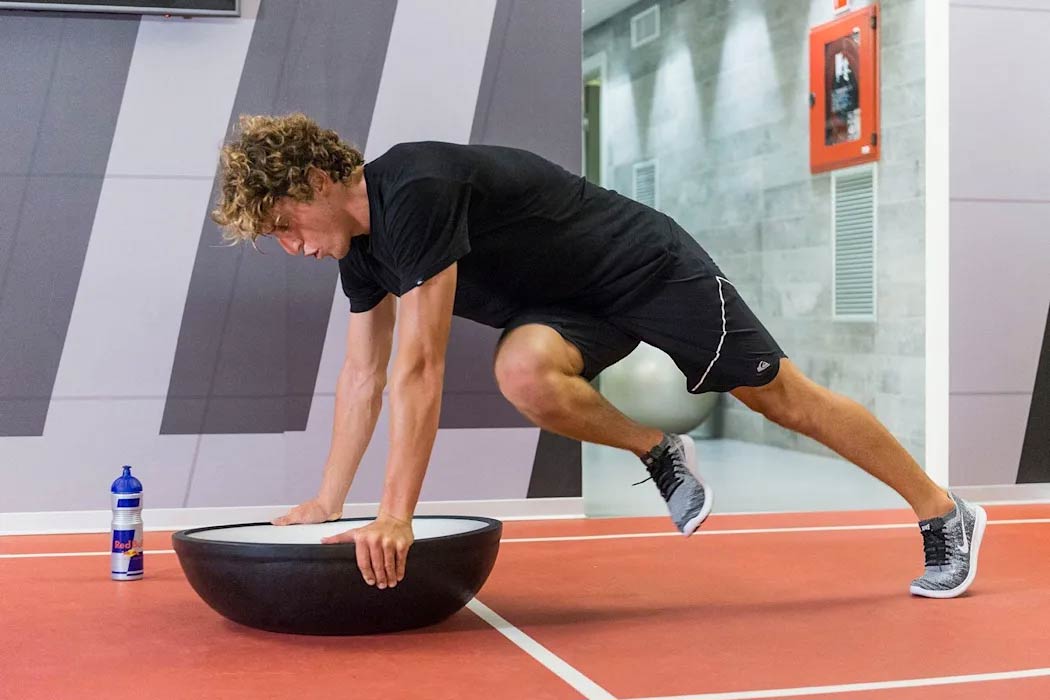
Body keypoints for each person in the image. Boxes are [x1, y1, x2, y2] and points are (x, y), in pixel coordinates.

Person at [211, 113, 986, 599]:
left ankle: (942, 510)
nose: (291, 247)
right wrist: (328, 501)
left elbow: (418, 369)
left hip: (641, 265)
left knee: (783, 399)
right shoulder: (361, 252)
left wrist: (394, 518)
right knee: (522, 372)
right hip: (566, 310)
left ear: (319, 179)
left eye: (286, 225)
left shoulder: (414, 187)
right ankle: (658, 449)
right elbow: (362, 375)